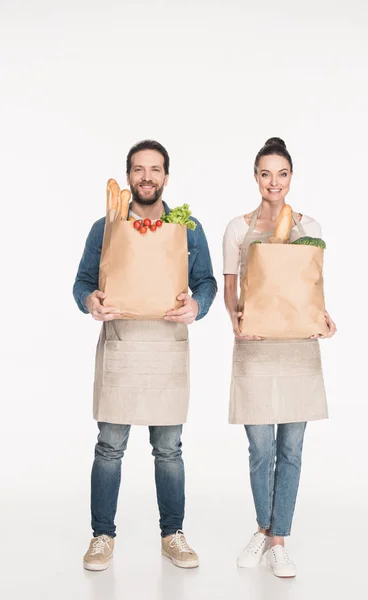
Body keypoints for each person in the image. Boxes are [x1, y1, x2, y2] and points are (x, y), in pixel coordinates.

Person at [73, 140, 217, 571]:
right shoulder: (106, 226)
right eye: (139, 169)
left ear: (166, 177)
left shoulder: (187, 227)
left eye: (155, 169)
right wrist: (90, 301)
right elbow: (81, 281)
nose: (147, 177)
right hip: (121, 344)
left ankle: (172, 535)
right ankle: (102, 535)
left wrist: (197, 305)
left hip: (166, 347)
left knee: (169, 449)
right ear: (130, 175)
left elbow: (206, 281)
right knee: (109, 447)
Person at [223, 137, 336, 578]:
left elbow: (311, 290)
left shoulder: (312, 227)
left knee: (291, 449)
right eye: (266, 173)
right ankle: (264, 526)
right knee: (260, 448)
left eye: (282, 173)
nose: (274, 182)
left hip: (297, 348)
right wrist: (236, 323)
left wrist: (326, 320)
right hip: (254, 348)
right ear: (255, 177)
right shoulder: (237, 227)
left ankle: (278, 540)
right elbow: (232, 294)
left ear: (291, 178)